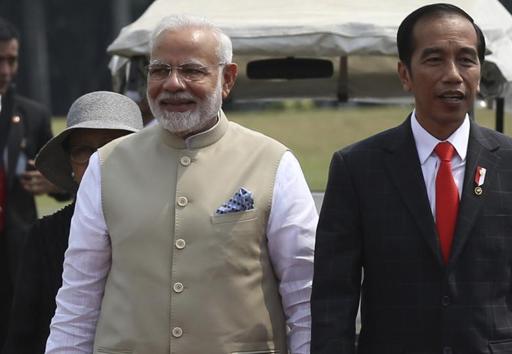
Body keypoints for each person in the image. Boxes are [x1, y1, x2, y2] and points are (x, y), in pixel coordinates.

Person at [46, 14, 317, 354]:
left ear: (227, 78)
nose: (173, 84)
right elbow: (78, 297)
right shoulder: (106, 165)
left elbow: (305, 293)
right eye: (160, 70)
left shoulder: (272, 163)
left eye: (191, 70)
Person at [311, 3, 512, 353]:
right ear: (405, 74)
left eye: (466, 59)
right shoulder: (357, 167)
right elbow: (333, 297)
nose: (453, 75)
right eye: (434, 60)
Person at [1, 91, 143, 354]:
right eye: (83, 151)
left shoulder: (164, 224)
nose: (97, 162)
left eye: (113, 148)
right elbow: (24, 334)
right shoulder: (44, 237)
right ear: (69, 162)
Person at [0, 16, 62, 347]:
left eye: (12, 60)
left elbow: (62, 180)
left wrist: (53, 184)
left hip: (16, 255)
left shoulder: (33, 115)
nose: (7, 71)